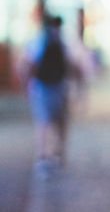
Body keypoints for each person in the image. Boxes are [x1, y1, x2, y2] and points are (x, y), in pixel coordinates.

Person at [19, 15, 81, 171]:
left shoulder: (38, 41)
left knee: (44, 122)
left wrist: (26, 86)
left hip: (43, 88)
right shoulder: (62, 43)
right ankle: (57, 153)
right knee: (59, 122)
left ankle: (43, 156)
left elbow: (27, 65)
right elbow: (73, 66)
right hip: (57, 87)